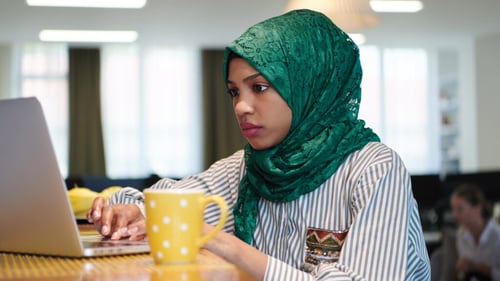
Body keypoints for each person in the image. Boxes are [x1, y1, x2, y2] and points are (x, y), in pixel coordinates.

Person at [87, 9, 430, 280]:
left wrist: (221, 242)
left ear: (309, 85)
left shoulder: (374, 169)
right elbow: (166, 200)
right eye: (235, 91)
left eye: (260, 87)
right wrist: (128, 210)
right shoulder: (249, 167)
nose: (241, 106)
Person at [450, 183, 500, 281]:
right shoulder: (461, 234)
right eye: (453, 209)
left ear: (478, 208)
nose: (454, 215)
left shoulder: (497, 235)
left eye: (460, 209)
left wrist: (477, 267)